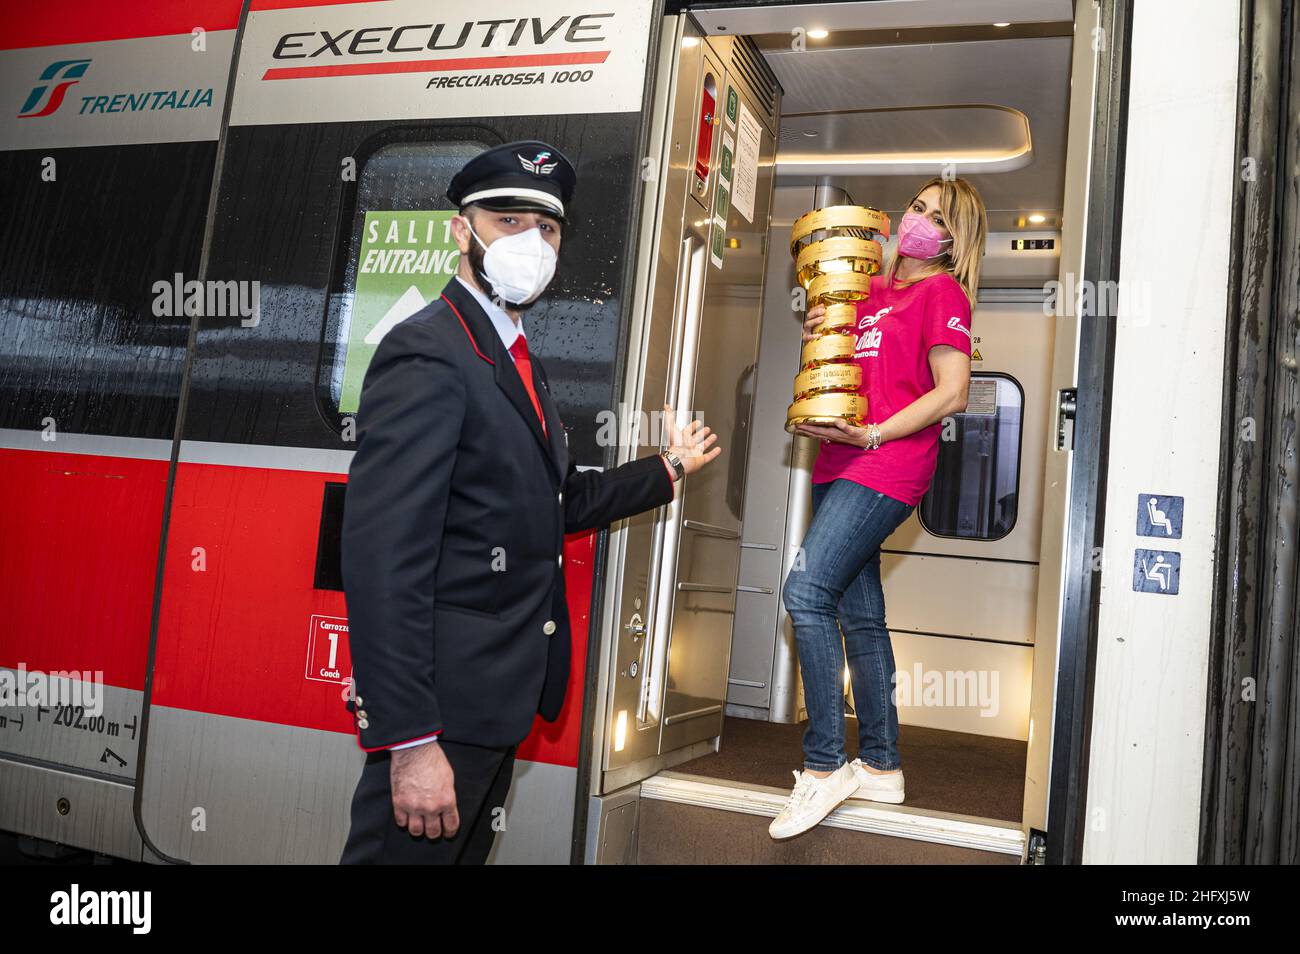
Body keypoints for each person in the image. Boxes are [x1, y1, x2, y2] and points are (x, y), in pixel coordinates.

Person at [339, 140, 720, 864]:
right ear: (462, 230)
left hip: (491, 704)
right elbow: (385, 555)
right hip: (442, 710)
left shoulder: (517, 358)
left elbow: (553, 501)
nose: (531, 243)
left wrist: (666, 469)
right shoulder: (430, 352)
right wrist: (412, 741)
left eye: (546, 229)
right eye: (509, 221)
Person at [768, 176, 987, 840]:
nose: (918, 219)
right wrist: (820, 328)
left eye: (936, 216)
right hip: (836, 459)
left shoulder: (941, 293)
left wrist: (874, 434)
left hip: (886, 464)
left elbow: (952, 393)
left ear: (954, 240)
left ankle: (825, 764)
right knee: (860, 617)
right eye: (916, 206)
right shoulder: (874, 291)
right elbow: (844, 370)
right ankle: (883, 765)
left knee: (805, 592)